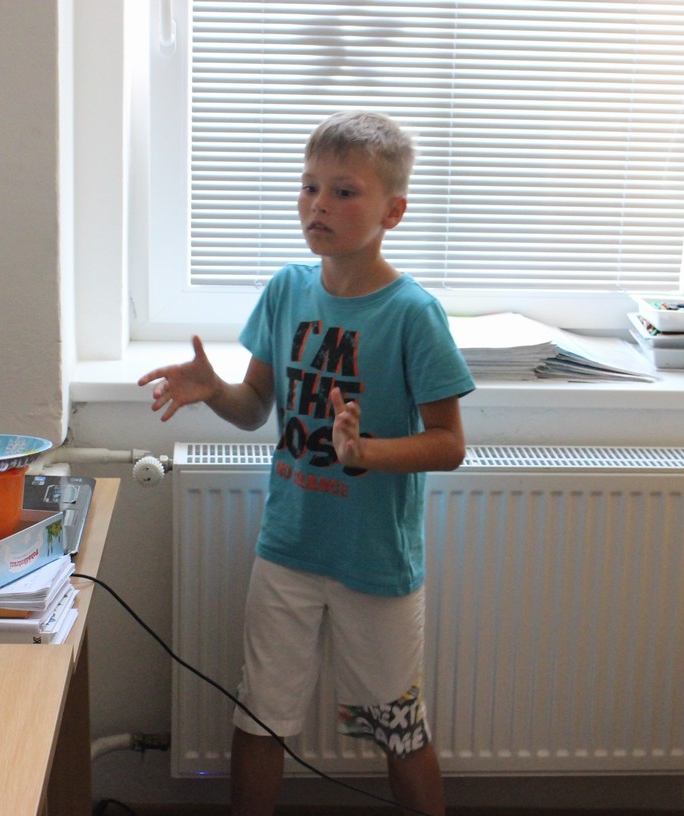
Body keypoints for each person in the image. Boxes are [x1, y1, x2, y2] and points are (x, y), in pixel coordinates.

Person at [138, 110, 474, 816]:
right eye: (308, 186)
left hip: (374, 559)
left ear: (392, 212)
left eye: (343, 192)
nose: (318, 204)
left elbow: (449, 443)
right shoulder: (287, 290)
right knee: (260, 714)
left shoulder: (412, 313)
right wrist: (213, 390)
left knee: (397, 726)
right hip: (288, 547)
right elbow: (254, 406)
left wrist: (367, 452)